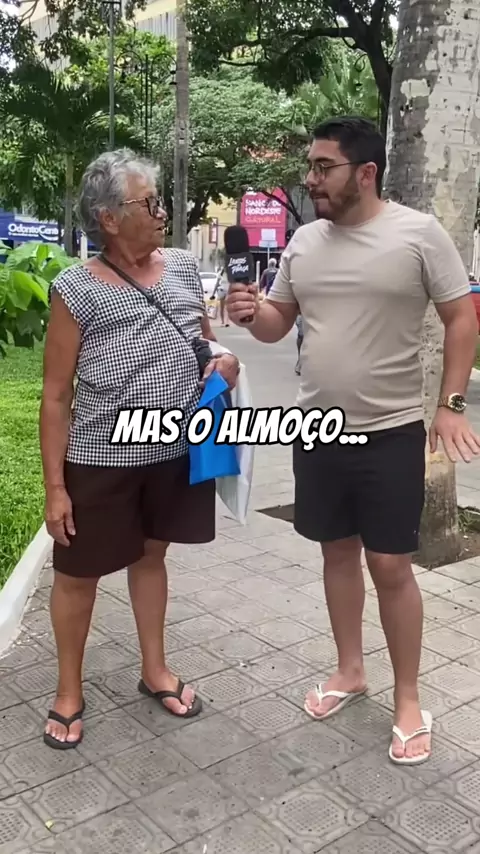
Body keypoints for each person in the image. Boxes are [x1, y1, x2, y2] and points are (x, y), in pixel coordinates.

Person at [226, 116, 480, 766]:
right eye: (310, 166)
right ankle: (349, 671)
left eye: (323, 167)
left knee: (390, 566)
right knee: (336, 553)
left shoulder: (418, 234)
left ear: (365, 173)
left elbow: (460, 318)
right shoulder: (304, 242)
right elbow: (279, 324)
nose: (310, 179)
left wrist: (450, 405)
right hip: (317, 430)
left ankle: (408, 699)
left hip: (391, 432)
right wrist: (253, 314)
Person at [39, 149, 240, 749]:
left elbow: (205, 343)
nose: (162, 213)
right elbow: (56, 395)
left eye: (159, 201)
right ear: (108, 217)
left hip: (173, 453)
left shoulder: (181, 266)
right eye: (148, 203)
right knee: (78, 575)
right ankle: (67, 692)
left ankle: (155, 670)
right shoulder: (75, 288)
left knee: (152, 558)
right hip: (100, 459)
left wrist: (225, 361)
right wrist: (55, 489)